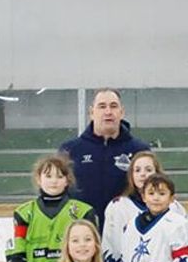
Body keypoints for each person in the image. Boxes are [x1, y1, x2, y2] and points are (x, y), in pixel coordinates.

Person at [6, 155, 98, 262]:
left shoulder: (83, 211)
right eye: (48, 176)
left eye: (59, 176)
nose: (54, 181)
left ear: (67, 180)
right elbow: (18, 243)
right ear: (38, 179)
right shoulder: (24, 212)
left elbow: (93, 248)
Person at [59, 88, 151, 226]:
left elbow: (151, 190)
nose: (108, 112)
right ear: (91, 112)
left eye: (113, 106)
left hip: (126, 233)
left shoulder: (139, 150)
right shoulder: (70, 150)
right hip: (83, 235)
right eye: (102, 106)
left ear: (122, 112)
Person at [102, 151, 186, 262]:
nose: (143, 174)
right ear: (131, 175)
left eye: (148, 169)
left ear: (157, 173)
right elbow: (111, 245)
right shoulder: (118, 206)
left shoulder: (174, 207)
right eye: (137, 170)